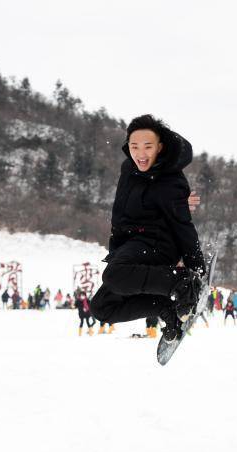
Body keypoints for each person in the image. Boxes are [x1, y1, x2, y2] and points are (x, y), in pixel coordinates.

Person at [90, 115, 205, 343]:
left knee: (114, 275)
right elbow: (121, 215)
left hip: (159, 245)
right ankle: (167, 310)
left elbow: (183, 226)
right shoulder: (128, 170)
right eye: (134, 147)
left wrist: (196, 270)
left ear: (159, 147)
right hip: (133, 246)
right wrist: (117, 253)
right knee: (102, 308)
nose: (140, 154)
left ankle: (182, 283)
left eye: (147, 147)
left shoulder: (171, 179)